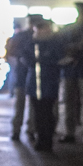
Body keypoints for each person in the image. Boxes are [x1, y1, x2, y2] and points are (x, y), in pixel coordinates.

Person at [26, 17, 66, 152]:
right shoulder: (31, 43)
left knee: (47, 112)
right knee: (38, 113)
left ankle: (47, 140)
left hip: (48, 83)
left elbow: (57, 60)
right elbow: (25, 58)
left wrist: (43, 61)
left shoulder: (54, 44)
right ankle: (41, 139)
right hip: (35, 83)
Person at [59, 1, 83, 143]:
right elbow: (62, 47)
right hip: (71, 69)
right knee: (70, 101)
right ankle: (70, 132)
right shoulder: (69, 29)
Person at [9, 15, 43, 142]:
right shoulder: (32, 37)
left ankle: (19, 130)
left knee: (22, 105)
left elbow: (11, 52)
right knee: (26, 104)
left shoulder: (21, 36)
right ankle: (27, 129)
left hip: (25, 74)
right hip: (26, 74)